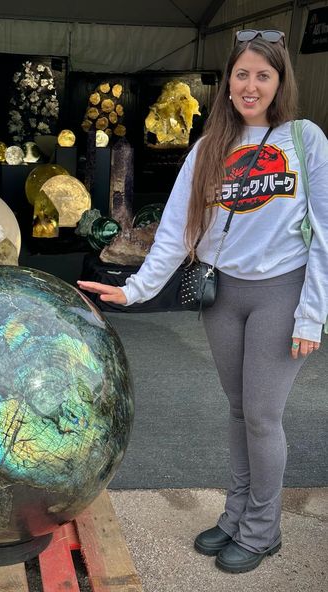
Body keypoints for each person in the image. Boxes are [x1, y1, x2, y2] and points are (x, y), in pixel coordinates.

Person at [78, 29, 328, 574]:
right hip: (222, 294)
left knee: (263, 415)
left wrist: (312, 313)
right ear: (229, 82)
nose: (251, 85)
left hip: (280, 293)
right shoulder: (208, 146)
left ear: (280, 81)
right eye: (242, 74)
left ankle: (263, 531)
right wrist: (134, 288)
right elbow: (174, 231)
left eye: (263, 75)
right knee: (239, 410)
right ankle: (237, 516)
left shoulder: (305, 141)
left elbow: (326, 232)